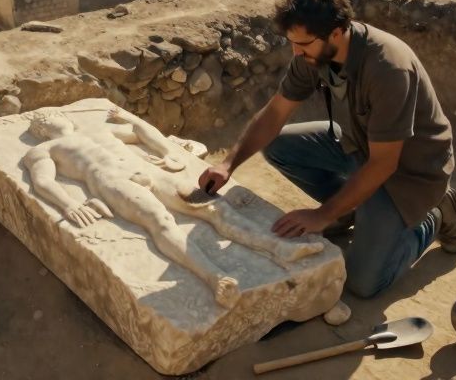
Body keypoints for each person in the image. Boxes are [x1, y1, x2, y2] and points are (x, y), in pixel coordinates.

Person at [199, 0, 456, 299]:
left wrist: (322, 215)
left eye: (303, 44)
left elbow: (384, 164)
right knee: (278, 146)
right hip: (360, 147)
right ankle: (350, 210)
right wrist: (228, 163)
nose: (296, 52)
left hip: (410, 172)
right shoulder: (313, 53)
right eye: (292, 43)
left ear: (337, 33)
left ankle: (435, 215)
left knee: (362, 283)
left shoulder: (387, 68)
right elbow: (275, 114)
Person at [23, 108, 323, 308]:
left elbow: (140, 131)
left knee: (213, 207)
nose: (53, 119)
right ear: (41, 130)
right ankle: (215, 278)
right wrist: (69, 204)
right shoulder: (44, 149)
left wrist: (167, 151)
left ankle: (279, 247)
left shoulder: (99, 132)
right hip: (112, 182)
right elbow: (42, 181)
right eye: (45, 120)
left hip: (149, 171)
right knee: (161, 222)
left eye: (53, 115)